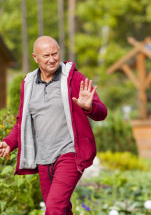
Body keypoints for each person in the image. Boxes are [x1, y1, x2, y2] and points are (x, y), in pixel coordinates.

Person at [0, 36, 107, 214]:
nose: (52, 59)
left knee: (54, 208)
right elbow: (23, 120)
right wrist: (9, 142)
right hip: (43, 158)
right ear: (35, 57)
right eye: (46, 55)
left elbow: (102, 112)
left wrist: (90, 107)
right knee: (62, 208)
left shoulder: (73, 78)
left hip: (69, 153)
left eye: (55, 54)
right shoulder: (28, 83)